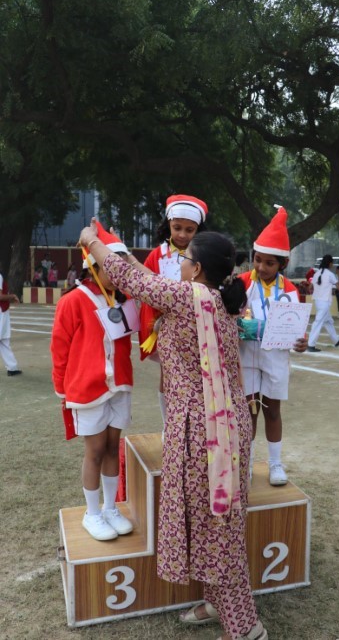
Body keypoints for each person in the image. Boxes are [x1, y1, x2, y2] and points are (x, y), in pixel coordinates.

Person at [78, 220, 268, 640]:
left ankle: (246, 628)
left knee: (217, 530)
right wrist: (117, 246)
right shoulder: (210, 298)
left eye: (184, 258)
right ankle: (217, 602)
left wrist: (92, 242)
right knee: (211, 521)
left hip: (205, 432)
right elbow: (145, 278)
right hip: (216, 424)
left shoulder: (189, 297)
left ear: (196, 269)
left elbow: (131, 279)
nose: (179, 263)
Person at [51, 223, 134, 542]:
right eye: (112, 266)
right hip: (87, 388)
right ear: (93, 265)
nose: (119, 273)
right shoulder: (73, 300)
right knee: (95, 450)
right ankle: (92, 513)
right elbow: (59, 348)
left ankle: (110, 508)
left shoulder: (123, 299)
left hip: (119, 385)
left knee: (113, 446)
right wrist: (62, 388)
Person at [238, 207, 307, 487]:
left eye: (269, 263)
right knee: (248, 411)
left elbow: (296, 328)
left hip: (275, 357)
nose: (261, 267)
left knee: (272, 410)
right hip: (246, 356)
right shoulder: (242, 283)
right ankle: (247, 463)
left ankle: (275, 463)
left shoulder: (290, 289)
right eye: (258, 260)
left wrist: (301, 342)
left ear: (282, 264)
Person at [139, 194, 208, 433]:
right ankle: (168, 427)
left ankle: (193, 428)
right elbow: (146, 288)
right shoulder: (156, 256)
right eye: (177, 228)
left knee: (196, 376)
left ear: (198, 229)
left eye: (190, 230)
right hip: (165, 326)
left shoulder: (203, 255)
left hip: (196, 327)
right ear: (168, 224)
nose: (182, 235)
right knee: (167, 374)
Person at [307, 254, 339, 352]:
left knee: (328, 321)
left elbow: (310, 287)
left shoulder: (316, 273)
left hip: (317, 301)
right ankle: (311, 344)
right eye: (332, 263)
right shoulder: (330, 274)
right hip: (325, 302)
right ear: (330, 263)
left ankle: (336, 340)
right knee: (318, 322)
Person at [0, 270, 22, 376]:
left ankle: (12, 367)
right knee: (3, 338)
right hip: (1, 311)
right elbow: (0, 296)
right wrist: (12, 296)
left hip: (2, 310)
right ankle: (12, 367)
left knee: (4, 339)